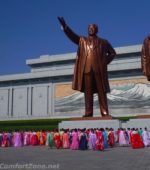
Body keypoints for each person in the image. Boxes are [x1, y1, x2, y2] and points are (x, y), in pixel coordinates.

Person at [58, 17, 116, 117]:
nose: (91, 30)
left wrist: (103, 63)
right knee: (88, 92)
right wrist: (65, 27)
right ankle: (88, 112)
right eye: (89, 28)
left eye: (93, 28)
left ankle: (104, 111)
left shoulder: (104, 42)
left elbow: (112, 53)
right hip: (86, 70)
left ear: (96, 30)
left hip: (99, 70)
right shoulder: (82, 40)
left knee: (101, 91)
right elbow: (73, 36)